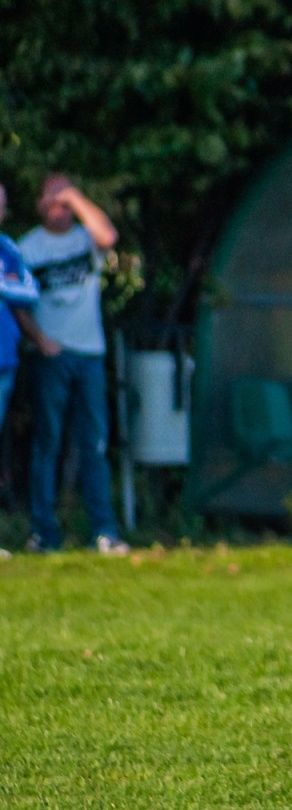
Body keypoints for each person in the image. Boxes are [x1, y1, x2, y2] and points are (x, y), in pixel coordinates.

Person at [14, 174, 126, 555]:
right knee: (48, 442)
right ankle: (44, 532)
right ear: (40, 204)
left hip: (90, 354)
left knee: (94, 443)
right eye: (53, 200)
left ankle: (105, 532)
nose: (59, 208)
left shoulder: (84, 239)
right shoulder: (29, 248)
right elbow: (15, 302)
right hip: (52, 357)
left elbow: (108, 238)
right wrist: (38, 340)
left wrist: (77, 198)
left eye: (66, 201)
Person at [0, 185, 40, 436]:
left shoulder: (8, 248)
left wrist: (2, 285)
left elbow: (31, 292)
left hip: (3, 360)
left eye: (1, 207)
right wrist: (7, 282)